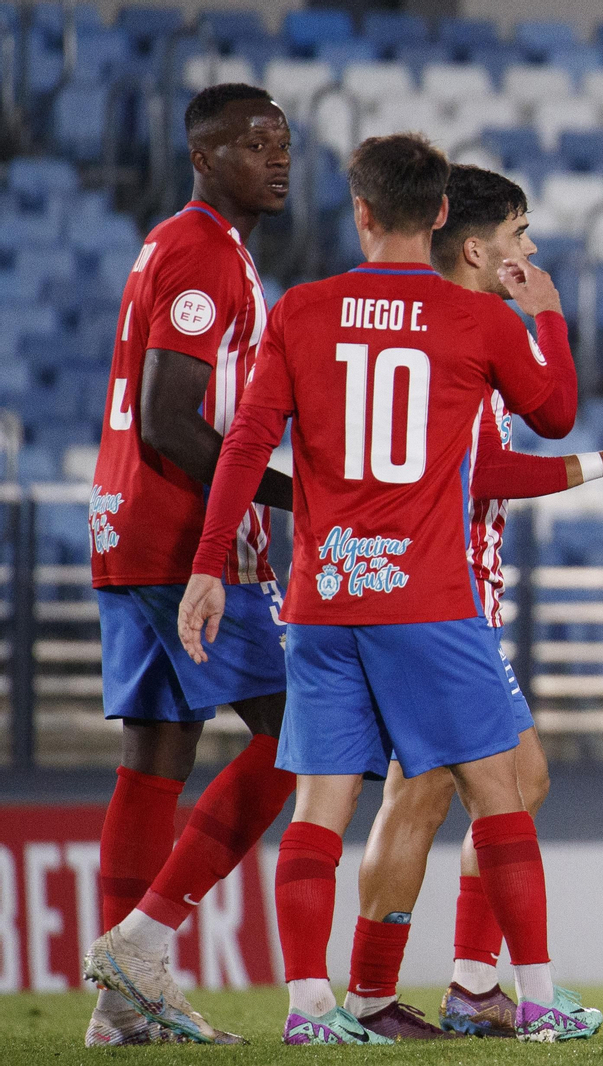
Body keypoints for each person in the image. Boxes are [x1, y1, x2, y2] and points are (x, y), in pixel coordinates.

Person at [172, 132, 595, 1046]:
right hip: (430, 601)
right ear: (443, 214)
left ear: (359, 212)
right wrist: (548, 315)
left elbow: (245, 445)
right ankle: (535, 998)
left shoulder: (302, 310)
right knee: (500, 791)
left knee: (322, 811)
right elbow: (555, 411)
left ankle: (310, 1010)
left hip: (323, 603)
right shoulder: (475, 319)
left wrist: (210, 564)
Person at [340, 163, 603, 1041]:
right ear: (478, 245)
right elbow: (484, 464)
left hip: (446, 598)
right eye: (520, 235)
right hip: (440, 603)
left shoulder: (441, 329)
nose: (530, 250)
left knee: (507, 781)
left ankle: (467, 985)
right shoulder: (462, 327)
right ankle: (384, 996)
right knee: (429, 794)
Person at [80, 83, 295, 1048]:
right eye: (258, 146)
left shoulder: (180, 243)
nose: (279, 161)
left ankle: (122, 1007)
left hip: (124, 526)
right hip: (182, 539)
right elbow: (174, 418)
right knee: (305, 733)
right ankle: (142, 940)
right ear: (207, 156)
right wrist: (297, 496)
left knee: (154, 757)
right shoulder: (206, 252)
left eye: (284, 145)